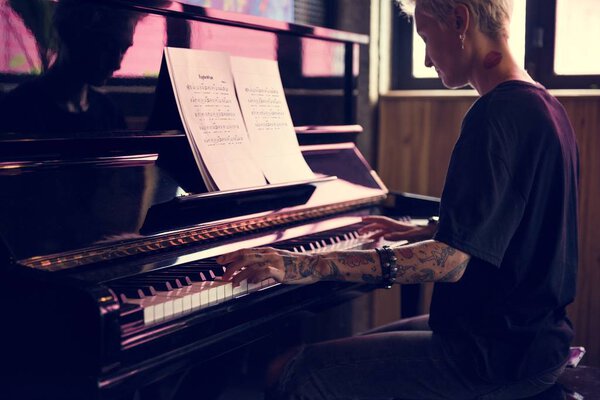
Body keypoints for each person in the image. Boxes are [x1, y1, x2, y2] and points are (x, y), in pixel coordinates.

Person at [216, 0, 579, 399]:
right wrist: (428, 229)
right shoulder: (544, 105)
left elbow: (450, 262)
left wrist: (304, 263)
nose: (425, 60)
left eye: (425, 37)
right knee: (354, 345)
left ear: (460, 20)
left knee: (291, 372)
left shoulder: (495, 115)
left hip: (491, 356)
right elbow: (516, 225)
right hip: (528, 340)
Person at [0, 0, 137, 134]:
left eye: (123, 49)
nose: (117, 64)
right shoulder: (18, 108)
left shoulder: (110, 113)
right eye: (107, 46)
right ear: (71, 34)